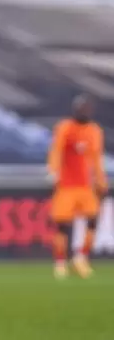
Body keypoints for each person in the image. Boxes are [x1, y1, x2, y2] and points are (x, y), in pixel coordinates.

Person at [48, 94, 107, 279]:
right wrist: (53, 171)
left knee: (93, 220)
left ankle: (81, 258)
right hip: (66, 186)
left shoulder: (94, 131)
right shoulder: (65, 128)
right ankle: (60, 263)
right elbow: (56, 150)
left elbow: (96, 158)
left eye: (87, 109)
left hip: (85, 186)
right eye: (82, 108)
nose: (84, 112)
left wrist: (100, 180)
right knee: (63, 225)